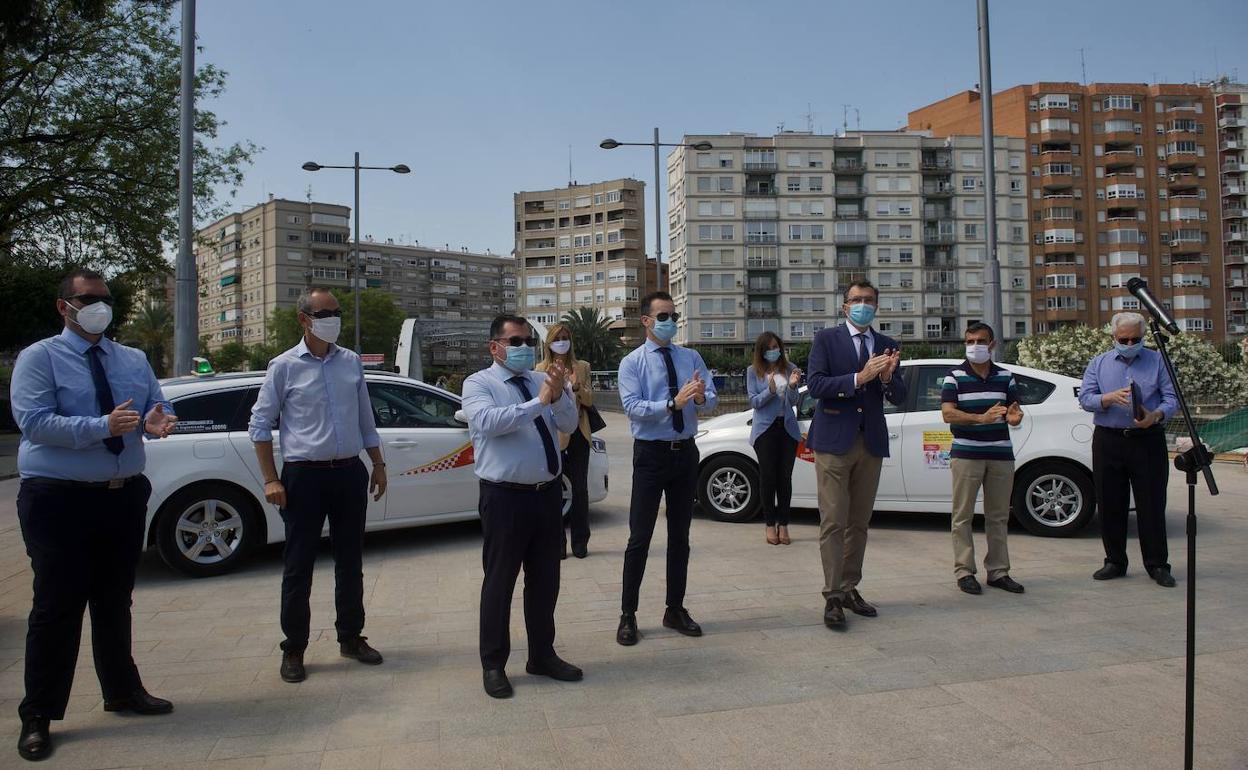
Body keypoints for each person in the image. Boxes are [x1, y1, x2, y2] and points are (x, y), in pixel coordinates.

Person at [9, 268, 179, 762]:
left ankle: (122, 690)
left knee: (114, 601)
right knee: (55, 607)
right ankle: (38, 714)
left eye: (105, 298)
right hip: (58, 498)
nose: (100, 306)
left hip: (122, 494)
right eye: (89, 299)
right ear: (65, 306)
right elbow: (34, 422)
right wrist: (98, 426)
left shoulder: (132, 358)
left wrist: (159, 420)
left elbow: (156, 406)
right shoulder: (39, 357)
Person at [249, 288, 388, 684]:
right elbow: (260, 426)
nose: (332, 318)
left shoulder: (351, 362)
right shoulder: (284, 366)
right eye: (323, 313)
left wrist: (377, 464)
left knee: (351, 562)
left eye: (336, 312)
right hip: (303, 476)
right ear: (304, 319)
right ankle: (294, 648)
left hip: (348, 472)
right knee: (299, 566)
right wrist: (271, 478)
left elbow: (365, 419)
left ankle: (350, 636)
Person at [461, 315, 583, 698]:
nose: (524, 347)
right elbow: (488, 422)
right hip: (505, 497)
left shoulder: (539, 379)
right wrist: (538, 402)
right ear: (494, 347)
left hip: (546, 495)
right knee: (499, 582)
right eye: (515, 341)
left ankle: (542, 654)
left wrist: (561, 394)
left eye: (528, 340)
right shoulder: (478, 383)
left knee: (546, 581)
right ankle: (493, 663)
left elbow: (567, 420)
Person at [615, 291, 718, 646]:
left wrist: (701, 397)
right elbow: (633, 407)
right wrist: (673, 403)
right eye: (662, 316)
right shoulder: (632, 363)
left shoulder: (690, 357)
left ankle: (675, 608)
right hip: (651, 455)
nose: (670, 321)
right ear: (646, 321)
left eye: (673, 315)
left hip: (685, 453)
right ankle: (627, 615)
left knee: (680, 537)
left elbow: (711, 398)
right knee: (639, 537)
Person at [805, 280, 905, 630]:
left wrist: (889, 378)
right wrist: (858, 378)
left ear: (877, 305)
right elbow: (815, 385)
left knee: (858, 523)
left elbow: (900, 397)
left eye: (869, 300)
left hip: (871, 442)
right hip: (833, 440)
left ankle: (850, 588)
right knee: (834, 520)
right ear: (844, 305)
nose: (863, 304)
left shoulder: (887, 344)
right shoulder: (826, 339)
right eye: (857, 299)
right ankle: (832, 595)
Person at [1079, 312, 1178, 587]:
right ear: (1114, 337)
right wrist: (1107, 398)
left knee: (1152, 503)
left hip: (1147, 439)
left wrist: (1155, 415)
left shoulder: (1158, 361)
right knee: (1110, 502)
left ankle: (1157, 564)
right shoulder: (1099, 363)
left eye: (1136, 338)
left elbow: (1172, 398)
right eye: (1124, 339)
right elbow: (1085, 399)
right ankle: (1114, 561)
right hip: (1109, 439)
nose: (1130, 343)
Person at [939, 323, 1026, 595]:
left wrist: (1015, 418)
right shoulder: (954, 377)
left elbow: (1014, 410)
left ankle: (999, 571)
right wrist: (981, 418)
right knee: (962, 515)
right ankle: (964, 571)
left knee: (998, 516)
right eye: (970, 341)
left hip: (1000, 454)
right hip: (967, 453)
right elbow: (948, 414)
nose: (974, 345)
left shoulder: (1005, 376)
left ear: (992, 344)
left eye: (980, 340)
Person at [536, 324, 594, 559]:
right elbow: (540, 402)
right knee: (554, 490)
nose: (562, 341)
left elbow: (590, 400)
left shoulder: (582, 367)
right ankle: (557, 543)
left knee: (580, 489)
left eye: (565, 337)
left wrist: (577, 386)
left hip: (580, 432)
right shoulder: (540, 369)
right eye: (557, 338)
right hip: (555, 433)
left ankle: (580, 542)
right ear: (549, 342)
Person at [746, 332, 802, 546]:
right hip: (765, 431)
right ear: (761, 350)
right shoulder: (753, 371)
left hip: (787, 429)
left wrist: (793, 385)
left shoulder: (790, 368)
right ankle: (770, 524)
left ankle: (784, 524)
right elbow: (754, 402)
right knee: (768, 478)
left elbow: (794, 401)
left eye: (776, 346)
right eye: (769, 347)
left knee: (784, 478)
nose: (773, 351)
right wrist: (770, 391)